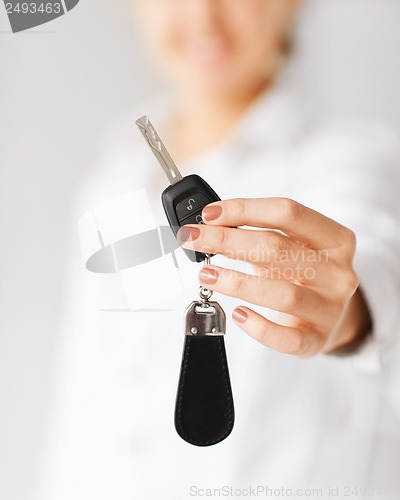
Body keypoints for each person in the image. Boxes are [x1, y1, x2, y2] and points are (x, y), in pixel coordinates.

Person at [36, 1, 400, 499]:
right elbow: (78, 408)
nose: (203, 16)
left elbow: (370, 271)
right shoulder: (108, 180)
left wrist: (349, 316)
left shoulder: (354, 162)